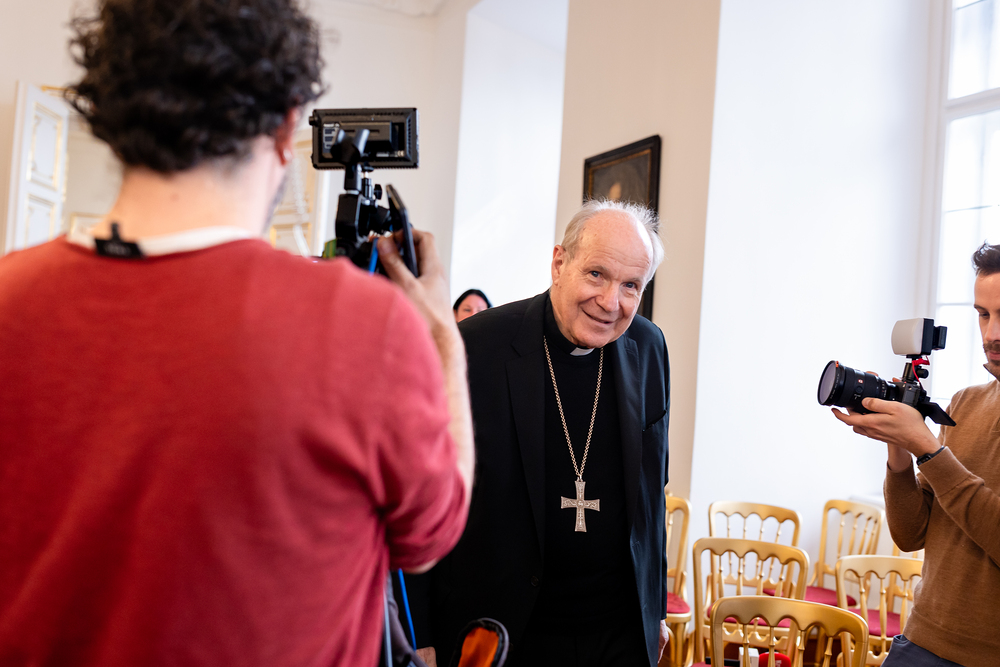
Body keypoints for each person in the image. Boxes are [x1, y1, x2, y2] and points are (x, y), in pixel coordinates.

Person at [0, 1, 474, 666]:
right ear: (285, 127)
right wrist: (444, 341)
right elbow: (430, 533)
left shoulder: (11, 298)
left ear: (112, 115)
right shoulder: (361, 324)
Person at [418, 199, 671, 667]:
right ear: (559, 263)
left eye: (630, 285)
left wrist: (653, 609)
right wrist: (421, 633)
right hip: (506, 628)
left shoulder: (648, 346)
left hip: (616, 629)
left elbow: (653, 494)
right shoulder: (478, 346)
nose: (610, 302)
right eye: (596, 274)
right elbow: (425, 491)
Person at [833, 242, 1000, 667]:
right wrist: (899, 447)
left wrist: (927, 447)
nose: (991, 334)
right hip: (921, 638)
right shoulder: (965, 403)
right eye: (983, 314)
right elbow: (911, 534)